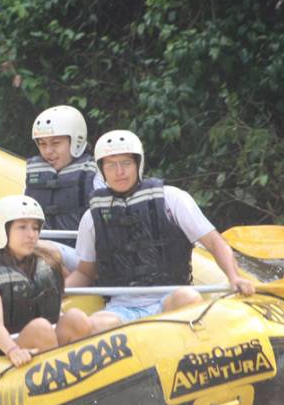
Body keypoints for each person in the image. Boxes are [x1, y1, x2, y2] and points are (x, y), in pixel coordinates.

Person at [57, 130, 255, 343]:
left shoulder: (172, 199)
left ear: (138, 164)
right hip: (121, 308)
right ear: (102, 169)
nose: (119, 171)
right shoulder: (91, 217)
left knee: (188, 298)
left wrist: (234, 276)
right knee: (94, 325)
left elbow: (215, 242)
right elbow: (86, 273)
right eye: (111, 165)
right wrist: (59, 295)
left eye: (126, 163)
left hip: (168, 299)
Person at [0, 195, 64, 367]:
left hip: (40, 341)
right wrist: (13, 350)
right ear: (1, 231)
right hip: (3, 348)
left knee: (76, 319)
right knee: (41, 328)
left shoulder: (45, 264)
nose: (31, 235)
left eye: (35, 228)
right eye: (22, 227)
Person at [24, 105, 105, 272]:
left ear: (77, 140)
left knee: (36, 248)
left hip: (80, 255)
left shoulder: (96, 175)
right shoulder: (34, 173)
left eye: (56, 143)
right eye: (42, 144)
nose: (48, 151)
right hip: (39, 247)